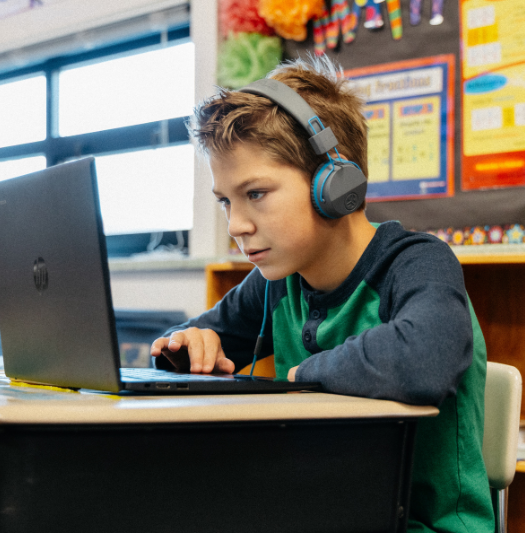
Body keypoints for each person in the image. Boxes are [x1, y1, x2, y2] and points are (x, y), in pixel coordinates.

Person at [150, 55, 494, 532]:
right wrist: (184, 346)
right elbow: (190, 340)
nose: (236, 225)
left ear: (334, 184)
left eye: (255, 194)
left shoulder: (416, 263)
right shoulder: (277, 282)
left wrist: (302, 374)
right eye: (226, 201)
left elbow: (425, 360)